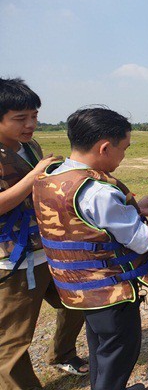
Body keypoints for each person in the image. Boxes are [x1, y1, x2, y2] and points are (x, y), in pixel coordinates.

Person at [32, 107, 148, 390]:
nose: (124, 155)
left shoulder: (50, 177)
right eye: (124, 148)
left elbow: (81, 222)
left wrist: (135, 209)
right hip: (110, 293)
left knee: (100, 350)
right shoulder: (100, 191)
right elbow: (142, 240)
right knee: (118, 355)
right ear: (104, 147)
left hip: (77, 288)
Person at [0, 78, 88, 390]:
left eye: (34, 116)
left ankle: (62, 353)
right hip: (14, 259)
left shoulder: (30, 147)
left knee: (76, 303)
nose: (30, 124)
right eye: (20, 118)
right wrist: (37, 175)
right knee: (13, 341)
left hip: (49, 246)